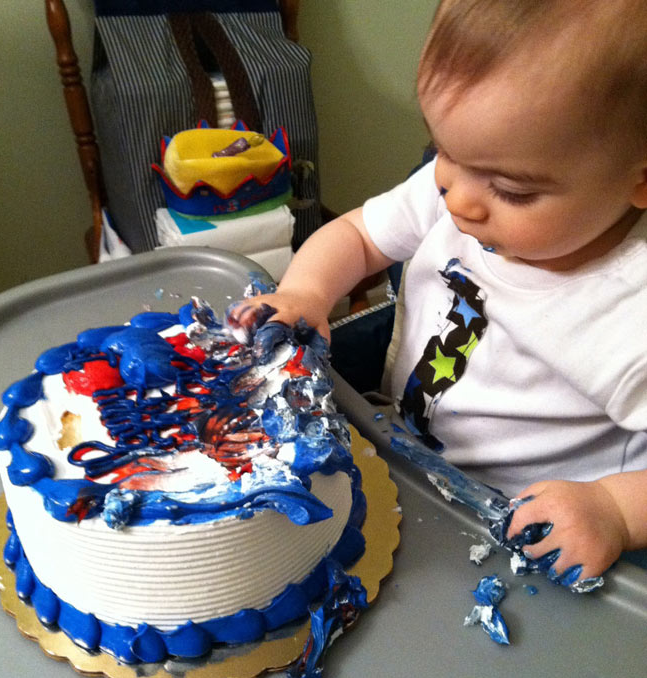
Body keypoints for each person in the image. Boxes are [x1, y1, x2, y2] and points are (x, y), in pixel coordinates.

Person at [229, 0, 647, 582]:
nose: (457, 197)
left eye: (512, 190)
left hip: (519, 537)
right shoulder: (459, 182)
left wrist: (616, 510)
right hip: (401, 454)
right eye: (444, 150)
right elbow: (358, 236)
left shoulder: (630, 315)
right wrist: (306, 292)